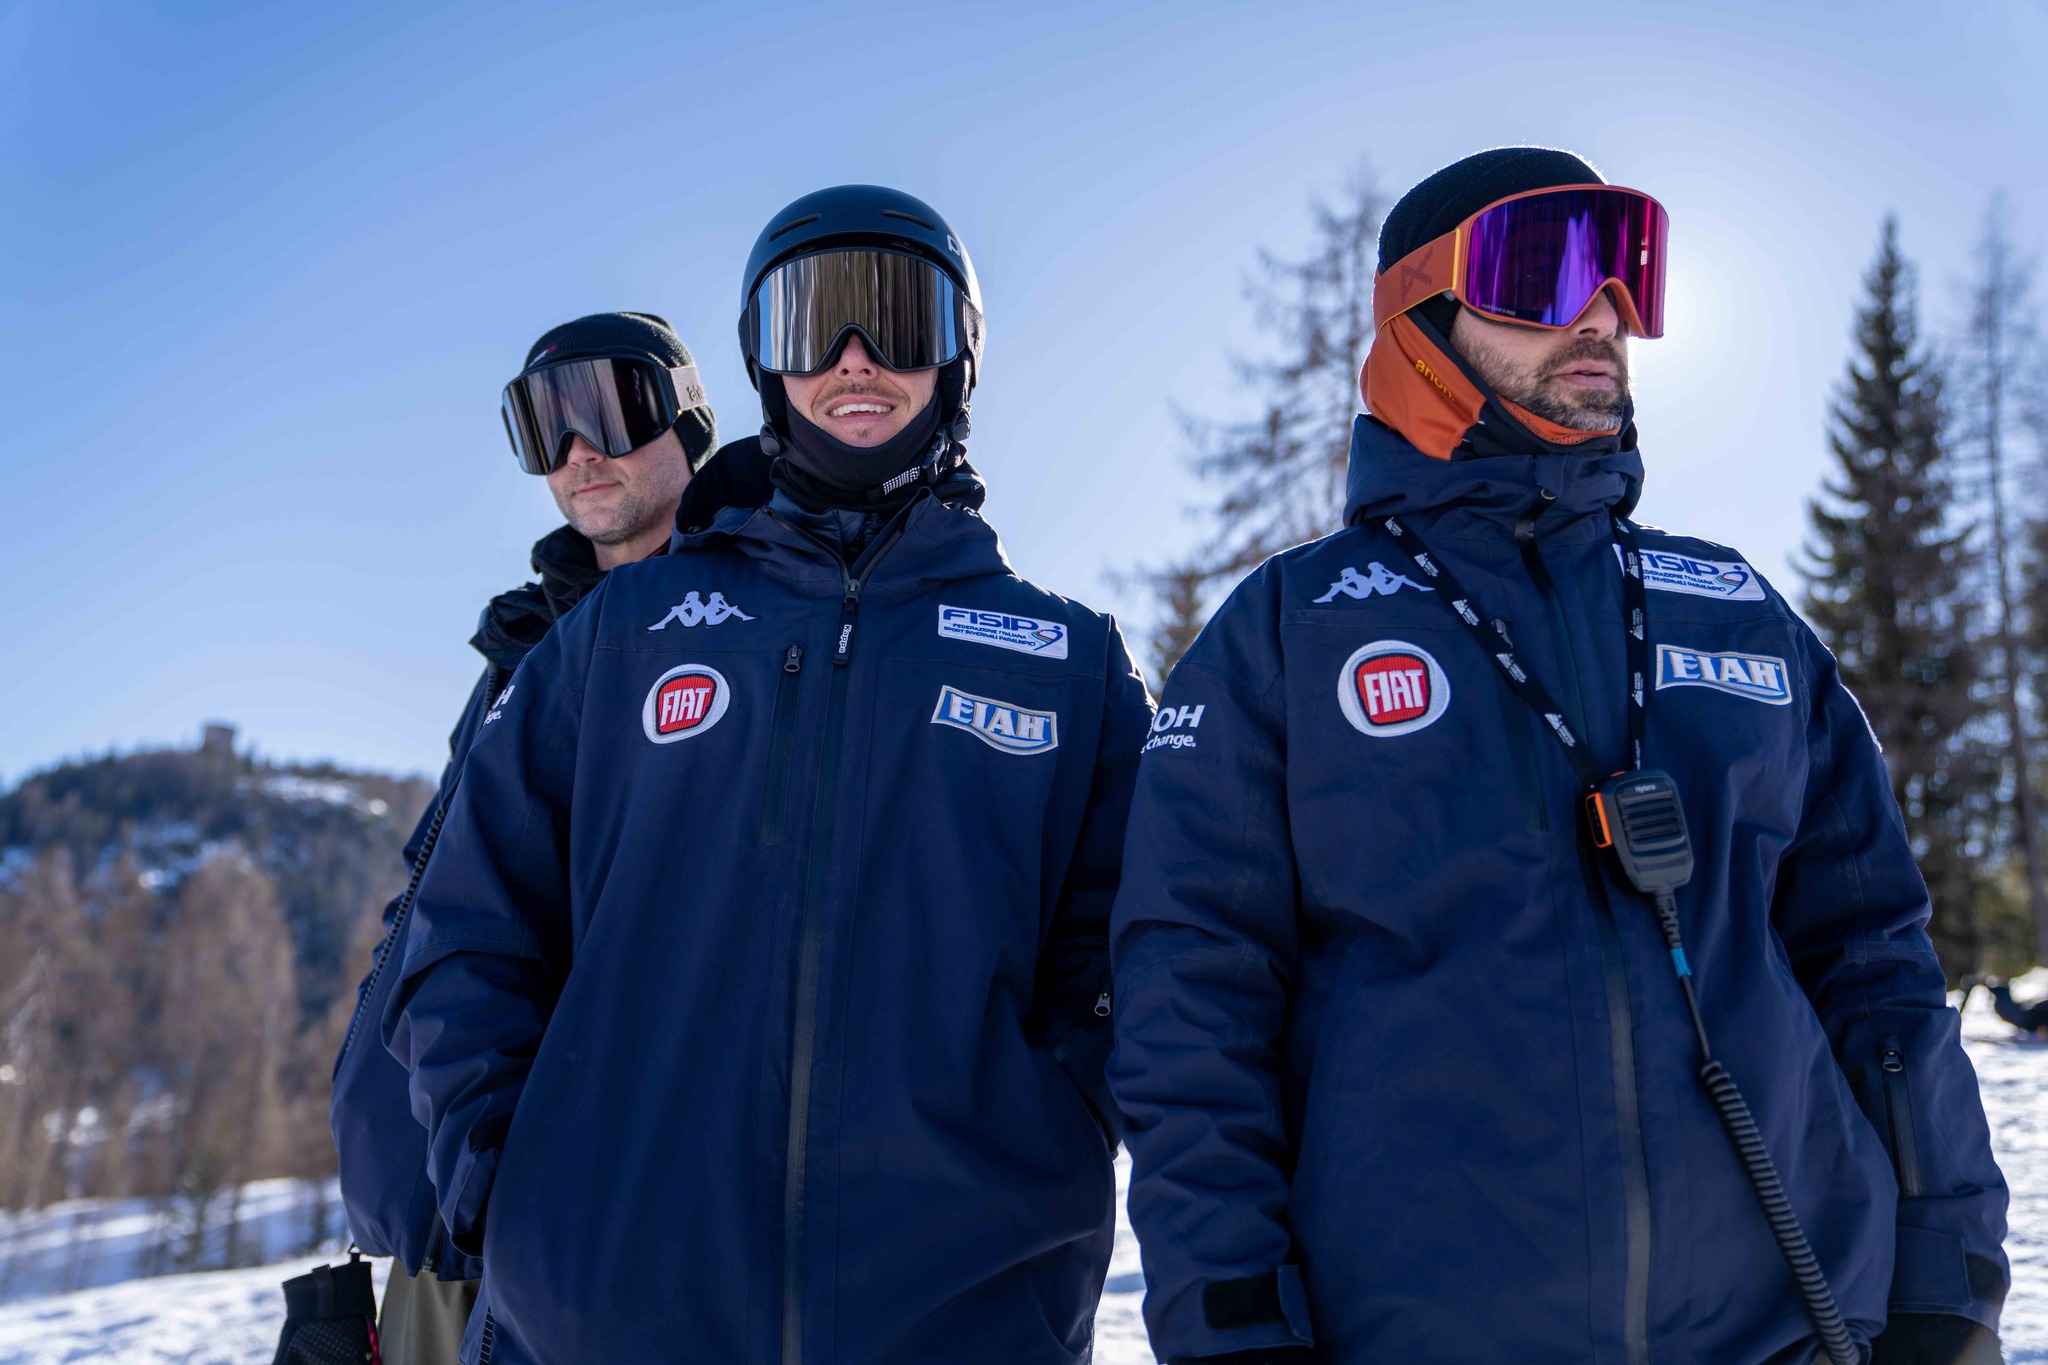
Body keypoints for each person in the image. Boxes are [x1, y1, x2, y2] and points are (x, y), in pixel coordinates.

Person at [1108, 148, 2010, 1365]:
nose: (1599, 317)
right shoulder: (1284, 635)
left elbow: (1873, 961)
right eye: (1540, 274)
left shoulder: (1734, 615)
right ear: (1416, 324)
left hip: (1789, 1333)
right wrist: (1231, 1323)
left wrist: (1946, 1276)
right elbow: (1189, 1013)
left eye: (1623, 276)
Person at [386, 186, 1152, 1364]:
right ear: (762, 359)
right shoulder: (623, 631)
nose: (854, 358)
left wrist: (1046, 1139)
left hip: (965, 1319)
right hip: (613, 1317)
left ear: (958, 354)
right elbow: (468, 926)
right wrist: (512, 1192)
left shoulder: (1070, 663)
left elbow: (1132, 958)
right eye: (812, 321)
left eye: (896, 316)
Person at [329, 310, 764, 1363]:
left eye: (610, 407)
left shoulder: (753, 622)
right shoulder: (521, 655)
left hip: (589, 1212)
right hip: (437, 1211)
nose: (578, 451)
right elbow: (439, 915)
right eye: (542, 425)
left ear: (687, 420)